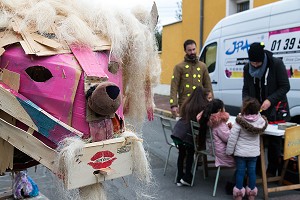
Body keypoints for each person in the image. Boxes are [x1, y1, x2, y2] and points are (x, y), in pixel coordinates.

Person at [242, 42, 290, 177]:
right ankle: (256, 170)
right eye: (253, 63)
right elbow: (246, 88)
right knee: (255, 139)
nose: (255, 66)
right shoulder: (247, 68)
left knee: (274, 143)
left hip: (276, 109)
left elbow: (285, 86)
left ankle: (272, 171)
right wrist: (247, 103)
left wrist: (270, 100)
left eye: (258, 63)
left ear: (263, 58)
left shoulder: (276, 64)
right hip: (256, 109)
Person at [226, 97, 268, 200]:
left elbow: (232, 138)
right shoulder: (261, 121)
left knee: (240, 172)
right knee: (252, 172)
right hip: (253, 153)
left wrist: (229, 151)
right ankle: (252, 194)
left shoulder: (240, 121)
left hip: (240, 153)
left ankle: (239, 194)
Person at [171, 87, 209, 186]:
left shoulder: (187, 104)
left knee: (182, 154)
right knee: (190, 154)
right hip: (188, 135)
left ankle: (179, 177)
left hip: (179, 133)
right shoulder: (203, 107)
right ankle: (187, 177)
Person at [170, 39, 213, 118]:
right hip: (185, 103)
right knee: (185, 126)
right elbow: (174, 87)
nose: (192, 52)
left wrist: (211, 102)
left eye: (193, 49)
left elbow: (208, 85)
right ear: (185, 51)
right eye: (189, 50)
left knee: (198, 127)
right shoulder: (179, 67)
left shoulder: (202, 66)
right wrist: (173, 105)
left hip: (200, 103)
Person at [199, 99, 235, 168]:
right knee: (243, 156)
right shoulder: (218, 123)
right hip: (222, 152)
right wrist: (233, 129)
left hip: (211, 148)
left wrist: (227, 128)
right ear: (219, 110)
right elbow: (228, 138)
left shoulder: (207, 119)